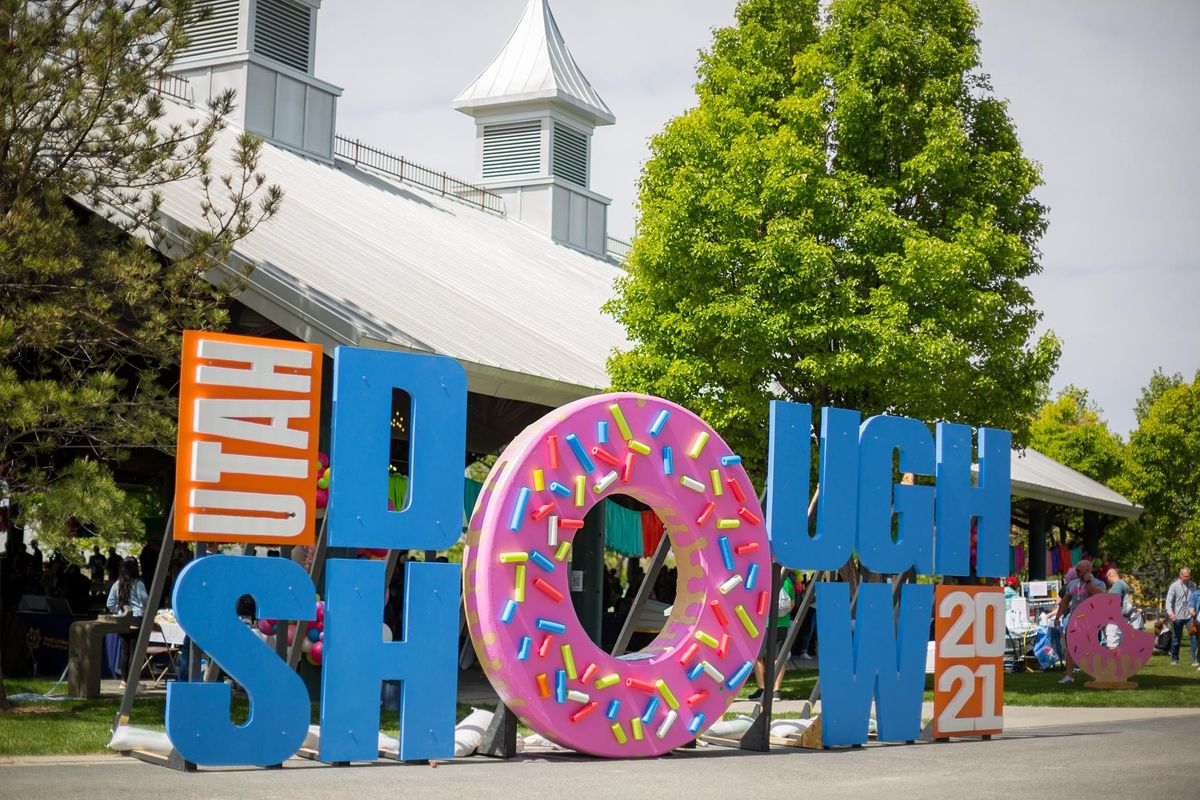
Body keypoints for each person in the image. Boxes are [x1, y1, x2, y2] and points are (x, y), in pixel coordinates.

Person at [1053, 559, 1105, 683]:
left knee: (1093, 648)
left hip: (1092, 621)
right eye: (1076, 569)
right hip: (1075, 621)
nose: (1075, 572)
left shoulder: (1098, 583)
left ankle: (1096, 675)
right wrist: (1057, 617)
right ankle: (1069, 676)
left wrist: (1088, 581)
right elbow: (1065, 602)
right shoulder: (1072, 584)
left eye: (1078, 570)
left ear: (1088, 571)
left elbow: (1099, 597)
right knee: (1071, 647)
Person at [750, 568, 795, 701]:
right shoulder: (788, 581)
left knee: (758, 657)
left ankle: (761, 688)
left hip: (765, 623)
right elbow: (792, 603)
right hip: (782, 623)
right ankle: (776, 691)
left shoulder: (764, 580)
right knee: (778, 657)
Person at [106, 557, 149, 689]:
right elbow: (146, 601)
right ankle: (133, 682)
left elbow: (110, 603)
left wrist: (119, 611)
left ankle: (123, 681)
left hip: (123, 620)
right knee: (134, 653)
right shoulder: (138, 583)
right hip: (136, 619)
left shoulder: (117, 584)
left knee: (125, 652)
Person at [1165, 567, 1198, 666]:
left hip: (1189, 616)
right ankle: (1175, 660)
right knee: (1176, 639)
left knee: (1194, 637)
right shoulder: (1174, 586)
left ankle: (1195, 660)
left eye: (1188, 576)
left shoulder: (1193, 585)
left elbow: (1195, 599)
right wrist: (1171, 613)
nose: (1187, 578)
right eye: (1185, 576)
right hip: (1177, 616)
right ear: (1180, 576)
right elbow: (1168, 601)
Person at [1104, 567, 1131, 649]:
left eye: (1107, 578)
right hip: (1123, 618)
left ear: (1110, 576)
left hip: (1115, 619)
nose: (1108, 581)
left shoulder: (1117, 585)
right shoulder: (1124, 584)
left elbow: (1114, 602)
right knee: (1120, 645)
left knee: (1112, 645)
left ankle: (1113, 661)